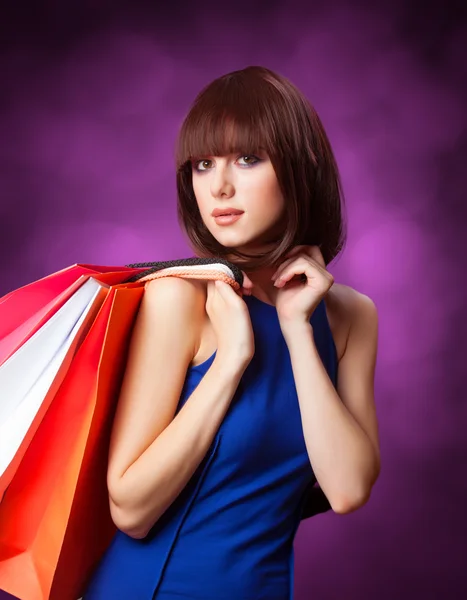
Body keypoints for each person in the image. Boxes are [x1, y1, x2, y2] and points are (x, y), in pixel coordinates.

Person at [82, 65, 380, 600]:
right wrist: (231, 360)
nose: (219, 185)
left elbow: (349, 489)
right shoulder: (179, 298)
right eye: (202, 164)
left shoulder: (351, 317)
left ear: (299, 167)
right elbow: (130, 508)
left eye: (247, 159)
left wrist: (295, 331)